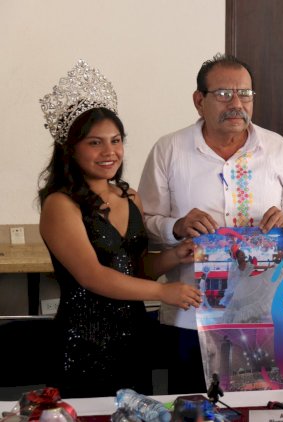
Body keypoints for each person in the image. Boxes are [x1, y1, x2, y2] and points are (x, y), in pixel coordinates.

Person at [138, 53, 283, 393]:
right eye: (223, 94)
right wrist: (176, 226)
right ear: (199, 101)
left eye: (245, 94)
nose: (236, 104)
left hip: (264, 318)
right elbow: (144, 222)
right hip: (191, 317)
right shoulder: (169, 150)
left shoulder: (276, 148)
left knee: (262, 409)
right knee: (193, 407)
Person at [37, 61, 201, 398]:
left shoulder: (130, 196)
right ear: (71, 149)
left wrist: (174, 256)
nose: (109, 152)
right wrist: (163, 293)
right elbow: (93, 276)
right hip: (83, 344)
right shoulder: (60, 204)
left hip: (134, 341)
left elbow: (136, 269)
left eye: (115, 140)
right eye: (95, 143)